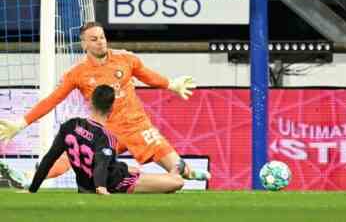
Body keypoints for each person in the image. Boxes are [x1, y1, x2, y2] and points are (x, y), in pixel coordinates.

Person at [0, 22, 209, 183]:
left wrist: (172, 84)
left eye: (102, 37)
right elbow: (52, 100)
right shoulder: (77, 73)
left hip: (138, 126)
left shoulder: (126, 59)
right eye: (94, 39)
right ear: (84, 44)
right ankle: (27, 177)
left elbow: (148, 76)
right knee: (72, 152)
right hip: (106, 131)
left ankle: (188, 172)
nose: (100, 41)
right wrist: (21, 123)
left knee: (177, 167)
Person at [28, 85, 186, 194]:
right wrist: (101, 187)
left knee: (133, 169)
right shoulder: (107, 137)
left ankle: (159, 172)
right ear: (111, 109)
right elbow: (100, 165)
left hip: (87, 183)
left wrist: (33, 188)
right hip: (117, 182)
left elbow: (49, 158)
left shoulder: (69, 125)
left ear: (90, 103)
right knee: (177, 183)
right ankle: (175, 171)